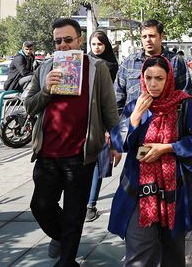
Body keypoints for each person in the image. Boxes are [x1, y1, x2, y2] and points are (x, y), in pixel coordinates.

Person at [24, 17, 121, 266]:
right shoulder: (44, 67)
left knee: (74, 213)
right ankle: (63, 237)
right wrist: (46, 89)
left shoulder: (97, 68)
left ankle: (67, 260)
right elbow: (29, 105)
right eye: (58, 41)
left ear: (79, 39)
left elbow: (109, 109)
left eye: (68, 40)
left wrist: (115, 143)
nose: (64, 45)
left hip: (80, 154)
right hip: (47, 154)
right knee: (40, 206)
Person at [108, 56, 192, 266]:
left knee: (173, 254)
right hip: (139, 193)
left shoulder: (183, 104)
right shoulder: (136, 105)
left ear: (168, 78)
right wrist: (135, 117)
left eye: (159, 78)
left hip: (174, 193)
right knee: (139, 255)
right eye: (148, 77)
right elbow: (119, 143)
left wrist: (167, 148)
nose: (153, 84)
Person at [85, 30, 120, 222]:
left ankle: (91, 204)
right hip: (83, 121)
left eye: (100, 44)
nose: (96, 47)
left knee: (99, 163)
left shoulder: (111, 66)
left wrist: (110, 130)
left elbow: (113, 99)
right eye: (93, 44)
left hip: (102, 120)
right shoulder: (82, 63)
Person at [115, 19, 181, 113]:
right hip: (136, 123)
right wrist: (125, 122)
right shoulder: (129, 63)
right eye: (144, 36)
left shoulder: (176, 62)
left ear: (161, 36)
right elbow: (117, 97)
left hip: (168, 122)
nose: (148, 40)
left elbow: (185, 97)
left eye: (152, 36)